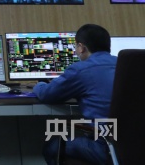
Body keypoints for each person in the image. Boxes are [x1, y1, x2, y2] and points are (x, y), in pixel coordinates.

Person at [34, 23, 117, 165]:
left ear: (81, 47)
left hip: (104, 147)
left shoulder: (81, 69)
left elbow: (47, 94)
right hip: (135, 144)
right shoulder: (128, 65)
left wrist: (39, 84)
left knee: (52, 147)